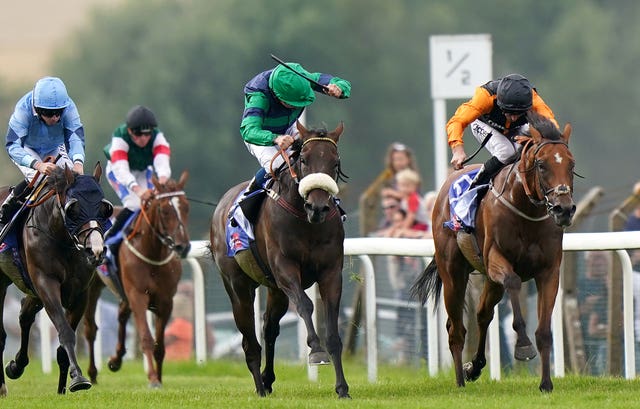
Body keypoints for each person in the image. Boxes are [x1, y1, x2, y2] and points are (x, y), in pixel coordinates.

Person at [240, 62, 351, 195]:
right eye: (291, 104)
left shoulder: (302, 78)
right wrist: (275, 138)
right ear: (276, 95)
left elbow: (341, 82)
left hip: (289, 127)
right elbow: (249, 131)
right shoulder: (259, 95)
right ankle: (250, 194)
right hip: (260, 136)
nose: (295, 107)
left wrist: (339, 88)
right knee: (279, 166)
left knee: (314, 152)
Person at [0, 76, 85, 231]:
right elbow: (12, 145)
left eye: (59, 113)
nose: (55, 118)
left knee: (74, 180)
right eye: (49, 113)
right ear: (37, 110)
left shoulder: (69, 107)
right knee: (42, 180)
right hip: (26, 148)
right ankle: (9, 208)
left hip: (55, 146)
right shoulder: (23, 110)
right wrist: (37, 164)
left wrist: (78, 162)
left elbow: (75, 138)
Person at [446, 73, 558, 190]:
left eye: (519, 113)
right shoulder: (485, 96)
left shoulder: (534, 99)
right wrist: (457, 149)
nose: (514, 118)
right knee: (507, 151)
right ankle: (475, 187)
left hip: (517, 128)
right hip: (484, 124)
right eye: (509, 112)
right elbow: (456, 121)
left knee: (542, 136)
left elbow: (551, 125)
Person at [100, 105, 171, 289]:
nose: (143, 139)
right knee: (134, 203)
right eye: (138, 135)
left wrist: (161, 184)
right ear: (130, 131)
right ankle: (109, 245)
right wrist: (140, 191)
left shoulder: (158, 138)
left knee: (152, 204)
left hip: (142, 170)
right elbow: (122, 171)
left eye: (147, 135)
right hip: (118, 171)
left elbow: (162, 165)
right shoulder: (120, 138)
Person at [359, 142, 419, 236]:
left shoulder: (412, 177)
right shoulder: (388, 176)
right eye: (395, 160)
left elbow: (411, 197)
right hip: (394, 215)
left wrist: (392, 193)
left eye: (401, 159)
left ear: (408, 160)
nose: (398, 163)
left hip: (409, 217)